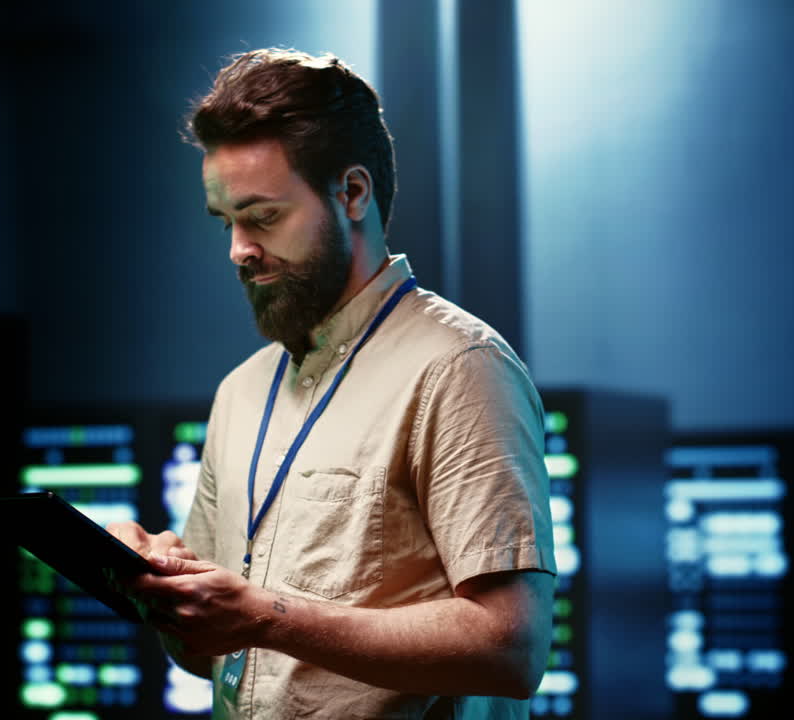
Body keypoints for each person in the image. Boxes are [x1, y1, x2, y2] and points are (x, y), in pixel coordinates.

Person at [107, 47, 557, 719]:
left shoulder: (460, 368)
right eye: (225, 222)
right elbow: (205, 655)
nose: (238, 250)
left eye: (262, 217)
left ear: (351, 192)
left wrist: (263, 615)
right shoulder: (241, 392)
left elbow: (510, 649)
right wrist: (161, 588)